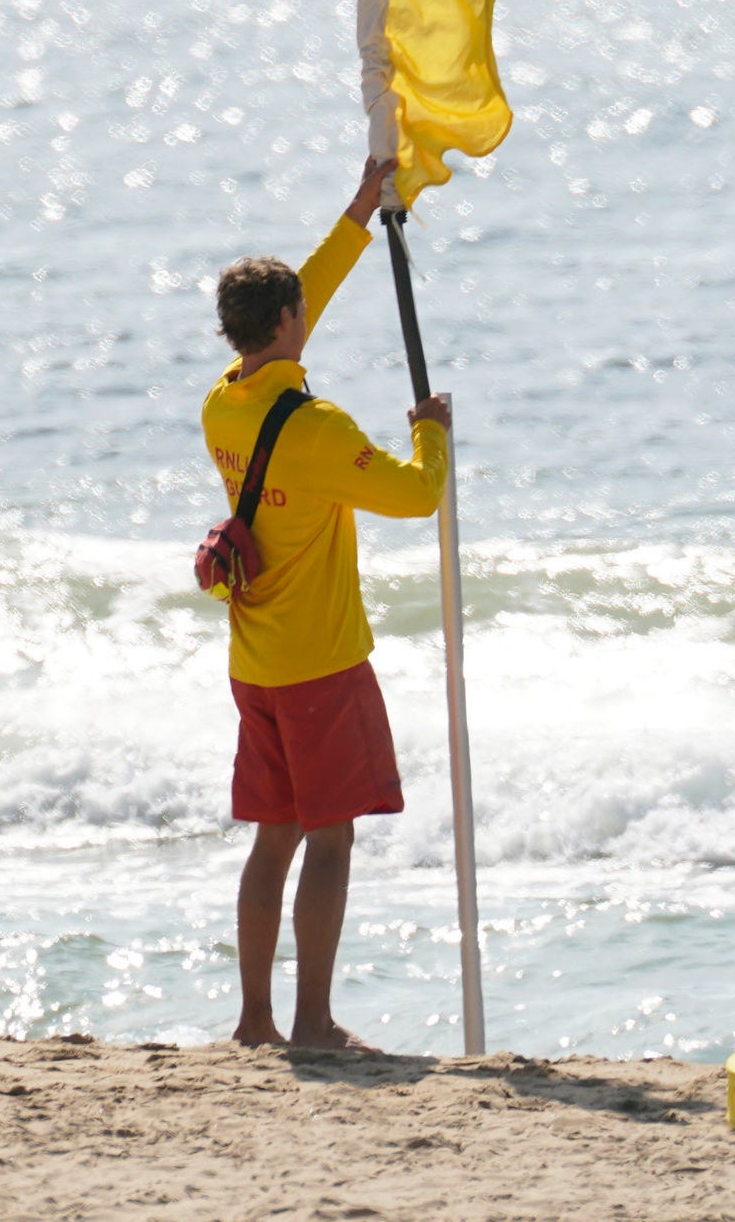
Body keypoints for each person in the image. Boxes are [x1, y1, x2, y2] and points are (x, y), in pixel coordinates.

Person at [194, 153, 452, 1050]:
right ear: (285, 322)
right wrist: (431, 437)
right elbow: (419, 497)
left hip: (255, 666)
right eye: (302, 306)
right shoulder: (318, 428)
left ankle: (256, 1021)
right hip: (321, 664)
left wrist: (354, 212)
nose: (313, 311)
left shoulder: (223, 406)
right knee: (331, 843)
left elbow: (306, 301)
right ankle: (313, 1022)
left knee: (273, 842)